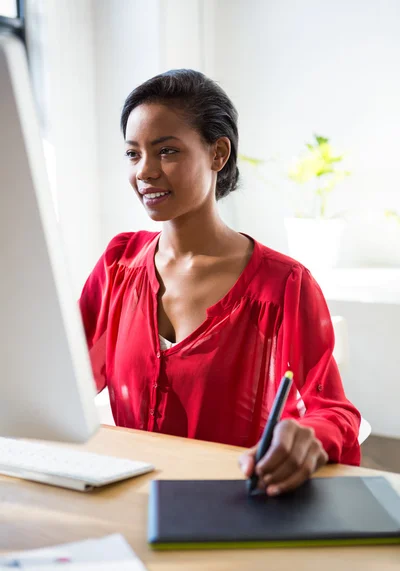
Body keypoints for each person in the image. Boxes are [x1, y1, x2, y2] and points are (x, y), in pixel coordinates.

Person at [79, 69, 361, 496]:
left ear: (218, 153)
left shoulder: (283, 285)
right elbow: (68, 383)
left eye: (166, 151)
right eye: (133, 154)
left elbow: (334, 412)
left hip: (238, 508)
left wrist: (310, 434)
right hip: (130, 499)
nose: (145, 171)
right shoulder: (117, 265)